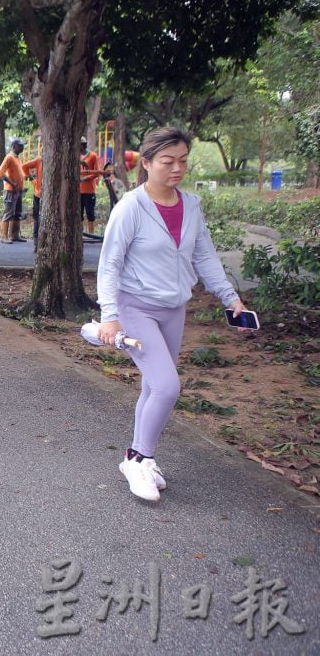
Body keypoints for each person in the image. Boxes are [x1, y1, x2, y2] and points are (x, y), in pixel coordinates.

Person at [97, 127, 248, 502]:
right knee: (167, 386)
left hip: (173, 309)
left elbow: (204, 256)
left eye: (183, 160)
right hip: (135, 307)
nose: (177, 168)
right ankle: (138, 459)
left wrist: (230, 297)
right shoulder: (130, 207)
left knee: (153, 385)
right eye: (168, 161)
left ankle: (137, 456)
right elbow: (109, 264)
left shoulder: (192, 205)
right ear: (146, 163)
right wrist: (110, 315)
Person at [0, 138, 27, 243]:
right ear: (14, 146)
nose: (23, 147)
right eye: (20, 146)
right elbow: (0, 173)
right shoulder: (9, 157)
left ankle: (14, 235)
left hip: (18, 190)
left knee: (17, 213)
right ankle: (4, 237)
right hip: (10, 190)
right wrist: (12, 183)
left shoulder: (17, 158)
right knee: (8, 213)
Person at [79, 137, 101, 235]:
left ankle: (91, 233)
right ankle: (80, 234)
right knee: (78, 213)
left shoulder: (92, 156)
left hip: (89, 190)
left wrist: (85, 178)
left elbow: (96, 173)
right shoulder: (76, 156)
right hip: (78, 191)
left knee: (90, 213)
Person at [21, 152, 44, 248]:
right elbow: (24, 167)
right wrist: (32, 179)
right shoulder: (39, 160)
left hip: (51, 196)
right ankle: (36, 243)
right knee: (37, 219)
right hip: (38, 195)